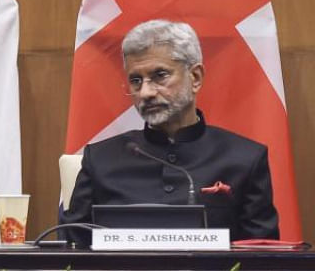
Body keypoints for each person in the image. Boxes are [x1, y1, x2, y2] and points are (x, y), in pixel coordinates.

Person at [61, 19, 278, 245]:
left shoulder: (244, 159)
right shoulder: (101, 159)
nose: (145, 92)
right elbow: (71, 251)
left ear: (195, 77)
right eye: (136, 80)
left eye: (160, 75)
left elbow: (263, 260)